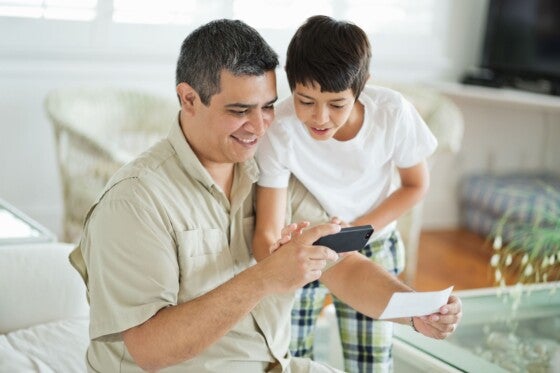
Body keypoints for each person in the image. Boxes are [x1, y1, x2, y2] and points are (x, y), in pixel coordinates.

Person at [69, 18, 462, 372]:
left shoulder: (275, 172)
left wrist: (417, 311)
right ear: (189, 99)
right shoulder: (136, 202)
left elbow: (343, 266)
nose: (259, 127)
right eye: (240, 110)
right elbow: (150, 350)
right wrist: (263, 279)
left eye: (269, 108)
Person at [253, 15, 438, 372]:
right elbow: (268, 228)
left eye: (337, 104)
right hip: (306, 246)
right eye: (305, 100)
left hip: (375, 241)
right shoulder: (280, 128)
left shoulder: (393, 114)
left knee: (371, 359)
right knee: (292, 356)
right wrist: (278, 258)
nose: (319, 117)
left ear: (362, 85)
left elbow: (416, 185)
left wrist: (355, 232)